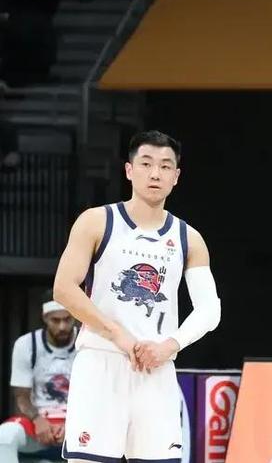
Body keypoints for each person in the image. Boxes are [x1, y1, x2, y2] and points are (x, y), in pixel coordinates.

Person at [53, 130, 222, 462]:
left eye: (165, 166)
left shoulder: (189, 238)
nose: (155, 173)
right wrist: (118, 334)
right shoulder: (96, 221)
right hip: (101, 362)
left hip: (157, 368)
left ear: (176, 176)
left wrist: (170, 345)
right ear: (129, 170)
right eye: (146, 163)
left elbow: (209, 310)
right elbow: (64, 287)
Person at [0, 297, 77, 463]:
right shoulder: (27, 344)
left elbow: (98, 394)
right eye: (55, 320)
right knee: (4, 436)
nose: (62, 326)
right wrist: (37, 420)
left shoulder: (86, 342)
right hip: (38, 420)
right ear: (45, 317)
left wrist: (74, 423)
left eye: (67, 319)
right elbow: (21, 396)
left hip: (79, 420)